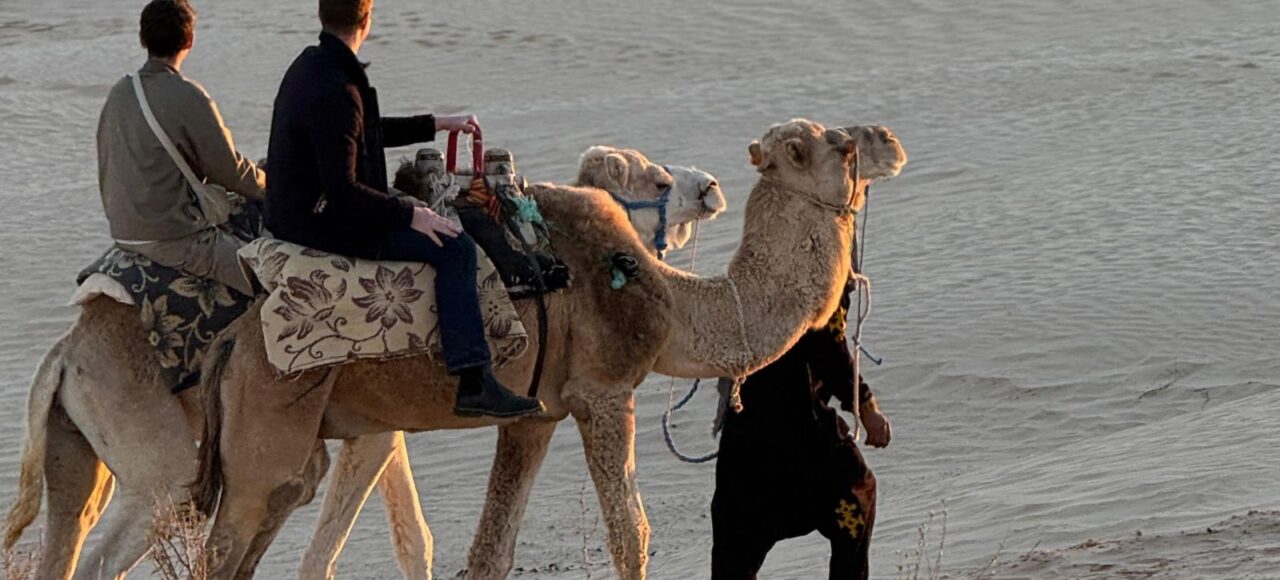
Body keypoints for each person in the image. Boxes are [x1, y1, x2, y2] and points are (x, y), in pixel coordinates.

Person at [265, 0, 543, 418]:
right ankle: (474, 379)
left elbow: (363, 133)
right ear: (367, 18)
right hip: (319, 221)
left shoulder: (314, 66)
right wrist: (411, 215)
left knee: (429, 221)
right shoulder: (338, 88)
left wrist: (437, 123)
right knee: (455, 247)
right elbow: (343, 192)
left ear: (322, 16)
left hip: (299, 210)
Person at [711, 276, 893, 580]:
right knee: (859, 492)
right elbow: (829, 351)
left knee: (736, 548)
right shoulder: (820, 272)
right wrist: (866, 407)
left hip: (744, 441)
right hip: (800, 434)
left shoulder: (751, 273)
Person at [97, 0, 265, 296]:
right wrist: (274, 184)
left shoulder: (119, 93)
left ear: (142, 39)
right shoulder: (189, 95)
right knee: (274, 276)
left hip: (124, 232)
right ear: (190, 40)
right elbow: (231, 172)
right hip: (174, 238)